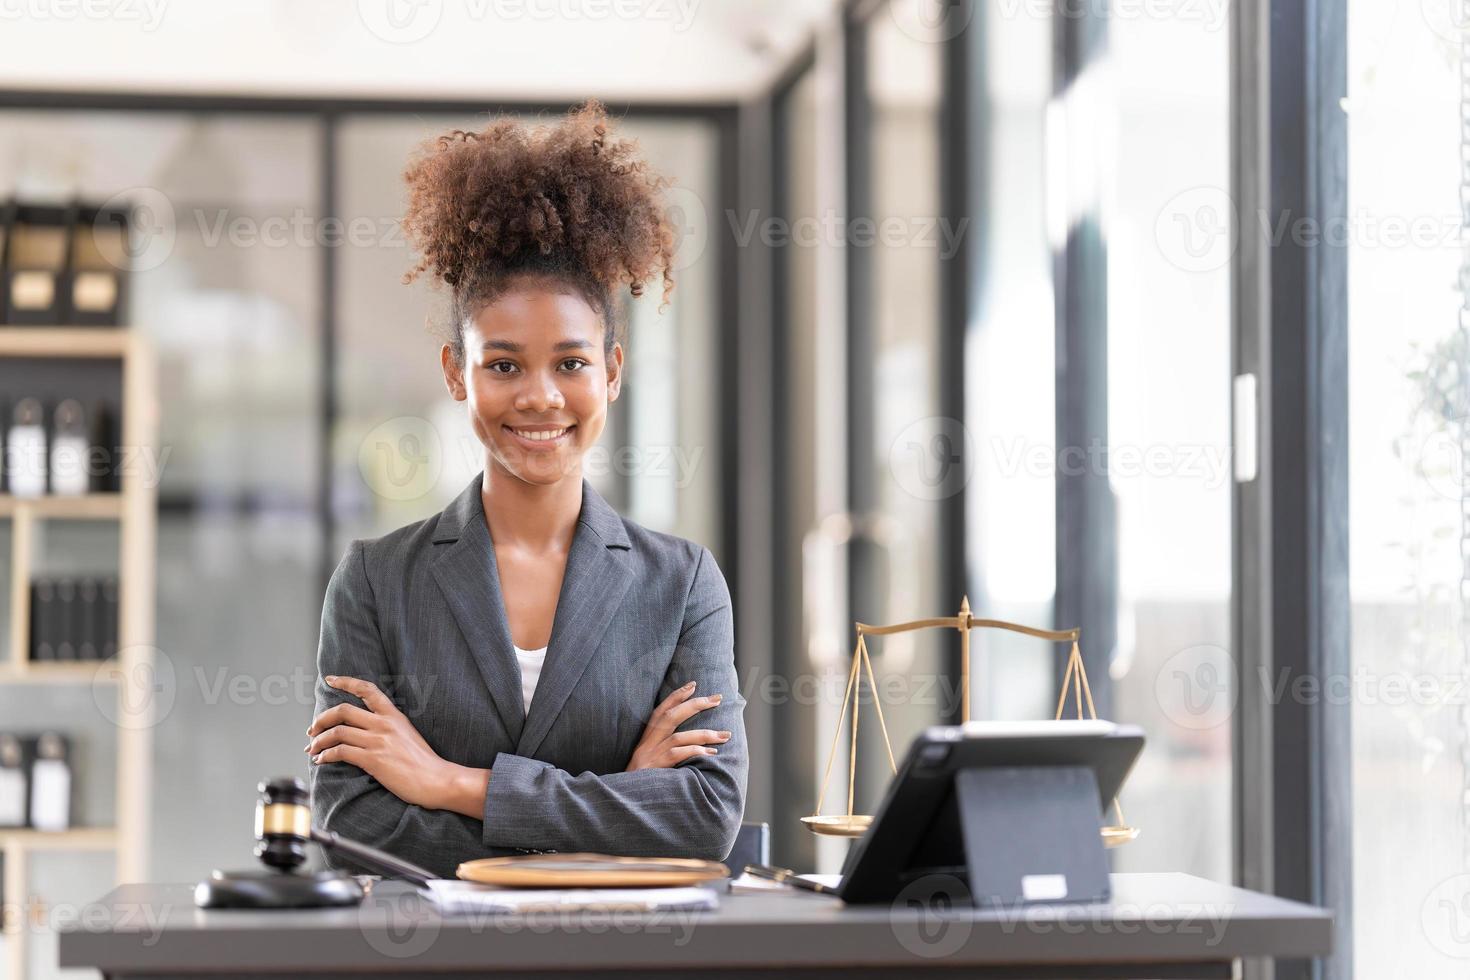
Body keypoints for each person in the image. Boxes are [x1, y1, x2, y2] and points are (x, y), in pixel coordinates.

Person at [303, 101, 747, 880]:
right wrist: (618, 806)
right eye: (504, 365)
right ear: (456, 373)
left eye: (570, 364)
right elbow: (352, 821)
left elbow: (706, 816)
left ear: (611, 372)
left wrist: (452, 784)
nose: (540, 397)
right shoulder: (375, 582)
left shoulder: (681, 585)